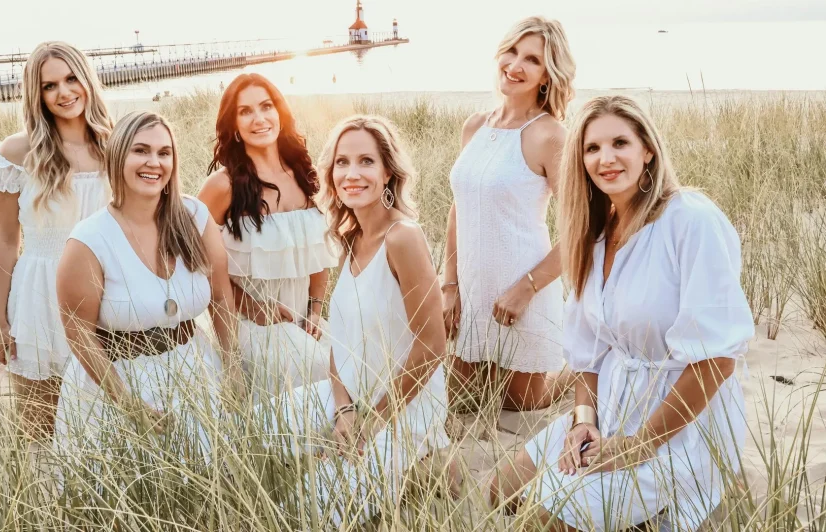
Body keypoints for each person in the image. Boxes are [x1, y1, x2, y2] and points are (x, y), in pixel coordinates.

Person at [487, 95, 754, 530]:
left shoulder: (690, 220)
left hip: (677, 425)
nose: (605, 158)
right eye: (592, 148)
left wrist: (639, 446)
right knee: (501, 493)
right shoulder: (594, 234)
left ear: (647, 149)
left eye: (620, 143)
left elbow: (716, 360)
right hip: (611, 409)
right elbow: (588, 357)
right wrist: (583, 423)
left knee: (546, 518)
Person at [259, 115, 453, 526]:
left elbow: (433, 345)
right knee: (255, 432)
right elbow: (340, 340)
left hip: (403, 409)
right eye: (342, 163)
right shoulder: (349, 236)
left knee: (313, 506)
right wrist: (344, 410)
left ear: (388, 172)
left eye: (366, 161)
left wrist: (371, 420)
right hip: (349, 394)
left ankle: (422, 468)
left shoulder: (404, 238)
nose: (352, 173)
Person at [54, 111, 242, 459]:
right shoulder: (89, 240)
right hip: (117, 383)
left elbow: (220, 296)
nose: (154, 162)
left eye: (164, 152)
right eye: (140, 151)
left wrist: (232, 368)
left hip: (195, 367)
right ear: (117, 156)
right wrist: (128, 405)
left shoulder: (195, 217)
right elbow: (78, 333)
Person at [444, 16, 577, 411]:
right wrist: (449, 285)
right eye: (512, 52)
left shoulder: (549, 135)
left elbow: (580, 229)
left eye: (532, 60)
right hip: (469, 293)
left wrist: (526, 288)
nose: (515, 65)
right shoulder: (474, 126)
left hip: (523, 293)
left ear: (547, 76)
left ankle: (576, 364)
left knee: (519, 404)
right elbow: (459, 208)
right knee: (462, 399)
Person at [0, 41, 113, 439]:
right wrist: (1, 317)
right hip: (39, 297)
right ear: (36, 94)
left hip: (107, 292)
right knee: (37, 430)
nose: (64, 92)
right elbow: (8, 241)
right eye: (49, 85)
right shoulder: (16, 153)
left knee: (102, 424)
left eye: (72, 78)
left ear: (87, 80)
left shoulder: (116, 144)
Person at [199, 73, 335, 400]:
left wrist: (316, 309)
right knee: (318, 373)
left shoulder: (307, 176)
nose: (259, 119)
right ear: (233, 125)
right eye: (245, 111)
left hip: (304, 319)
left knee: (356, 366)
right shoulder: (222, 186)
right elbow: (197, 263)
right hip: (248, 324)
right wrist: (252, 305)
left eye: (266, 106)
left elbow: (318, 253)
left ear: (280, 112)